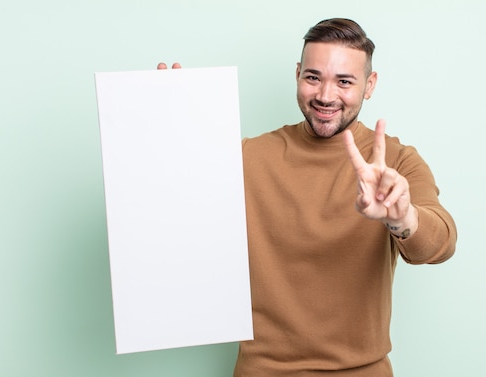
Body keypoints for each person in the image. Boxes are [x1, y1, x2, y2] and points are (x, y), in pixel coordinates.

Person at [158, 18, 456, 377]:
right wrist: (169, 121)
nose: (326, 96)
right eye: (313, 77)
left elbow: (440, 245)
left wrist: (400, 217)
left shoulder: (396, 161)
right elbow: (173, 213)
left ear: (369, 85)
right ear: (298, 74)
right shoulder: (245, 158)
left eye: (344, 81)